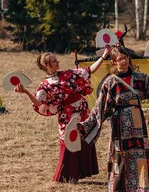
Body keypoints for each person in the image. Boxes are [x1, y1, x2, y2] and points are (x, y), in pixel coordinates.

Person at [76, 46, 149, 192]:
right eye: (120, 59)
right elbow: (100, 108)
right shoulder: (110, 82)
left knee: (140, 161)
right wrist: (84, 126)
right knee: (118, 161)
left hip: (139, 125)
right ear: (113, 61)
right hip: (119, 125)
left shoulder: (140, 78)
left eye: (125, 57)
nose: (124, 61)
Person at [14, 48, 110, 183]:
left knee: (83, 138)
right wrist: (26, 92)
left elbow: (89, 70)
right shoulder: (45, 85)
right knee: (68, 141)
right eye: (54, 60)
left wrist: (104, 56)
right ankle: (65, 176)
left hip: (82, 111)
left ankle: (81, 173)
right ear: (46, 65)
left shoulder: (68, 73)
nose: (57, 61)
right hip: (67, 114)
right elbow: (39, 102)